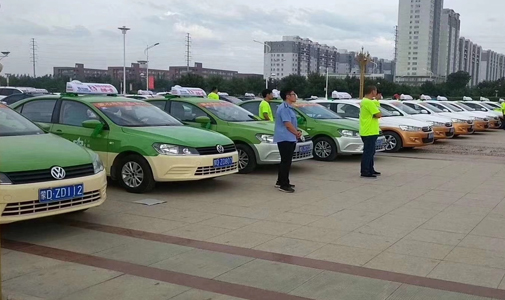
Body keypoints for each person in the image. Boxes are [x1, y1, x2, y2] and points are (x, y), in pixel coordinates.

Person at [273, 89, 301, 193]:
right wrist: (296, 133)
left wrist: (296, 131)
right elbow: (288, 124)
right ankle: (284, 185)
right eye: (293, 94)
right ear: (287, 96)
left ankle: (280, 181)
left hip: (289, 137)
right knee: (286, 162)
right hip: (285, 138)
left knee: (285, 161)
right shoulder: (284, 108)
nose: (295, 96)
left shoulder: (289, 107)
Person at [359, 85, 382, 178]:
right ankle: (365, 171)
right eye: (376, 91)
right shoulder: (369, 102)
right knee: (368, 152)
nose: (377, 93)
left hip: (367, 130)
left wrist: (376, 101)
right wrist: (376, 102)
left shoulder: (365, 101)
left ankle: (370, 169)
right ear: (372, 91)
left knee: (371, 152)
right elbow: (378, 114)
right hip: (369, 131)